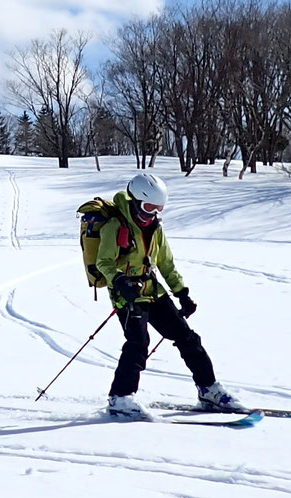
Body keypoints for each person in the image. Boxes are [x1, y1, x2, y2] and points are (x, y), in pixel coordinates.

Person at [91, 170, 245, 420]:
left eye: (159, 208)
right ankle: (120, 397)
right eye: (150, 207)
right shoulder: (115, 226)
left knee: (188, 337)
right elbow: (104, 262)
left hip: (152, 291)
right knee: (138, 343)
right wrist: (119, 281)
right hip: (127, 294)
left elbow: (166, 263)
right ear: (136, 201)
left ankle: (208, 390)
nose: (154, 214)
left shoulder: (155, 228)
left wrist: (181, 292)